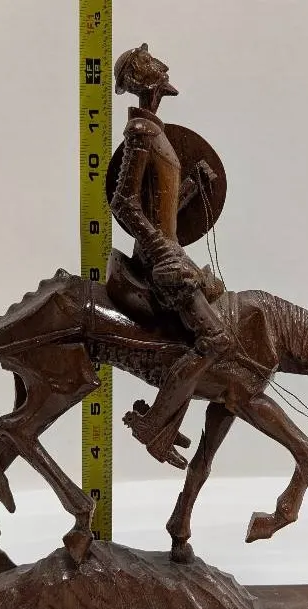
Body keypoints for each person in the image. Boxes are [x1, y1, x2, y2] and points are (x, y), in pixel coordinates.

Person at [110, 43, 231, 468]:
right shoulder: (141, 132)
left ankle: (167, 416)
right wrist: (162, 251)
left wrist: (192, 189)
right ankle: (152, 425)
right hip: (160, 261)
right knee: (217, 339)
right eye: (152, 63)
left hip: (167, 252)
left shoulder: (153, 129)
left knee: (198, 329)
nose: (162, 67)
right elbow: (123, 203)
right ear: (144, 78)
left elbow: (157, 208)